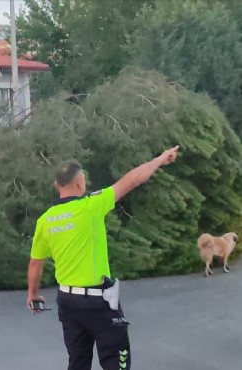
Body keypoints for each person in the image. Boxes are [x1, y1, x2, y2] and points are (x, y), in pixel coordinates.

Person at [26, 145, 180, 370]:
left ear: (57, 185)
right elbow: (132, 180)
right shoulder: (90, 206)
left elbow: (35, 262)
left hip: (67, 301)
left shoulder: (45, 220)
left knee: (77, 363)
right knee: (117, 361)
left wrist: (33, 294)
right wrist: (159, 159)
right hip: (98, 301)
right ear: (80, 183)